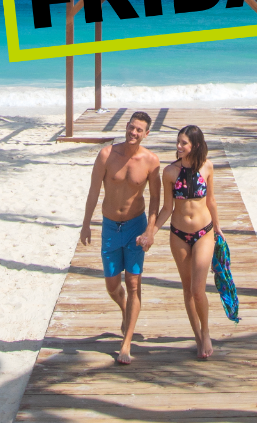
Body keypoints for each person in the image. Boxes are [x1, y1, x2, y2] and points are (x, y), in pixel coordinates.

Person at [80, 110, 162, 365]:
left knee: (134, 283)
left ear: (147, 133)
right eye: (131, 127)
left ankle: (125, 343)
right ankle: (124, 308)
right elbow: (94, 190)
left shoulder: (151, 161)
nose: (133, 133)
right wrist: (85, 224)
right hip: (109, 227)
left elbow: (156, 200)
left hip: (135, 227)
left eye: (139, 130)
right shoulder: (106, 154)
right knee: (112, 286)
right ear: (126, 127)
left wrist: (150, 230)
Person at [155, 124, 222, 360]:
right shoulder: (170, 172)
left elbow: (211, 200)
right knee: (186, 288)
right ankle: (196, 335)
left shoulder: (207, 167)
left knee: (197, 289)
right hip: (179, 234)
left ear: (195, 145)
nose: (179, 146)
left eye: (184, 143)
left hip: (204, 233)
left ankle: (206, 332)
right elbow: (166, 208)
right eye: (178, 142)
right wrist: (151, 231)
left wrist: (218, 228)